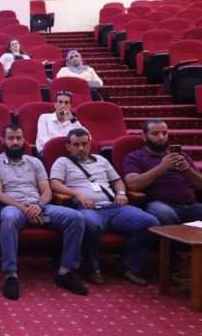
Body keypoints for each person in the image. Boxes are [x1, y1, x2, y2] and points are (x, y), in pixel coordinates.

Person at [0, 125, 87, 300]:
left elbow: (46, 191)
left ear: (24, 140)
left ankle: (65, 272)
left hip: (40, 207)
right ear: (3, 141)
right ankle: (10, 275)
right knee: (8, 219)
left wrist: (38, 205)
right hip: (14, 209)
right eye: (11, 138)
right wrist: (23, 208)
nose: (15, 142)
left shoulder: (35, 162)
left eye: (18, 138)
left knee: (76, 217)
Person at [50, 128, 159, 286]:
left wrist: (121, 193)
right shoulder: (62, 162)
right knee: (90, 224)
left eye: (84, 144)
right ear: (68, 147)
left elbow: (117, 181)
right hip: (87, 208)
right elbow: (54, 183)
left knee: (150, 223)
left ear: (89, 145)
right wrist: (77, 194)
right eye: (76, 145)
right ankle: (93, 268)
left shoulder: (101, 160)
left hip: (113, 206)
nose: (81, 148)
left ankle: (127, 266)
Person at [124, 119, 202, 274]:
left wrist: (187, 169)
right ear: (144, 136)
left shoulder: (181, 156)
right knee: (166, 215)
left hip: (190, 204)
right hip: (159, 204)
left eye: (164, 133)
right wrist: (163, 167)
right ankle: (173, 266)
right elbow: (133, 184)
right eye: (155, 133)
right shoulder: (135, 156)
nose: (161, 137)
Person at [35, 91, 86, 156]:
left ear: (70, 106)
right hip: (49, 153)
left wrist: (73, 120)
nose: (63, 105)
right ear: (55, 104)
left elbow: (88, 138)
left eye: (66, 103)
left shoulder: (72, 121)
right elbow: (42, 141)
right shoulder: (44, 117)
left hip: (69, 154)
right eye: (60, 102)